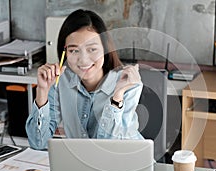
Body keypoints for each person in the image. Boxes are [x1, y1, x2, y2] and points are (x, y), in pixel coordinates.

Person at [26, 9, 144, 150]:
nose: (83, 60)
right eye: (73, 50)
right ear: (64, 52)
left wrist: (117, 97)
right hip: (83, 166)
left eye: (92, 49)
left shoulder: (128, 85)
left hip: (129, 163)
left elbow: (108, 150)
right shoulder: (58, 82)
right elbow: (38, 143)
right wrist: (42, 92)